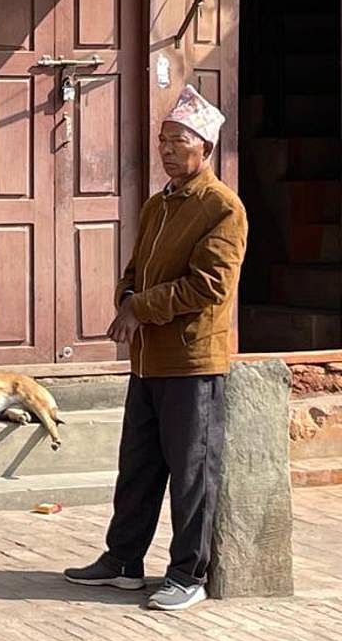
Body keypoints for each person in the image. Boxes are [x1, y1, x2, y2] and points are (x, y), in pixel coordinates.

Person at [64, 85, 248, 611]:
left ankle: (188, 572)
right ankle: (123, 560)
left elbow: (209, 285)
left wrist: (140, 307)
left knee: (192, 472)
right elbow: (134, 270)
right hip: (148, 360)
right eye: (163, 140)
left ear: (206, 149)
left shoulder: (221, 208)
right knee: (139, 465)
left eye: (178, 141)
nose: (166, 150)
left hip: (192, 361)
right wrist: (126, 296)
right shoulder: (157, 204)